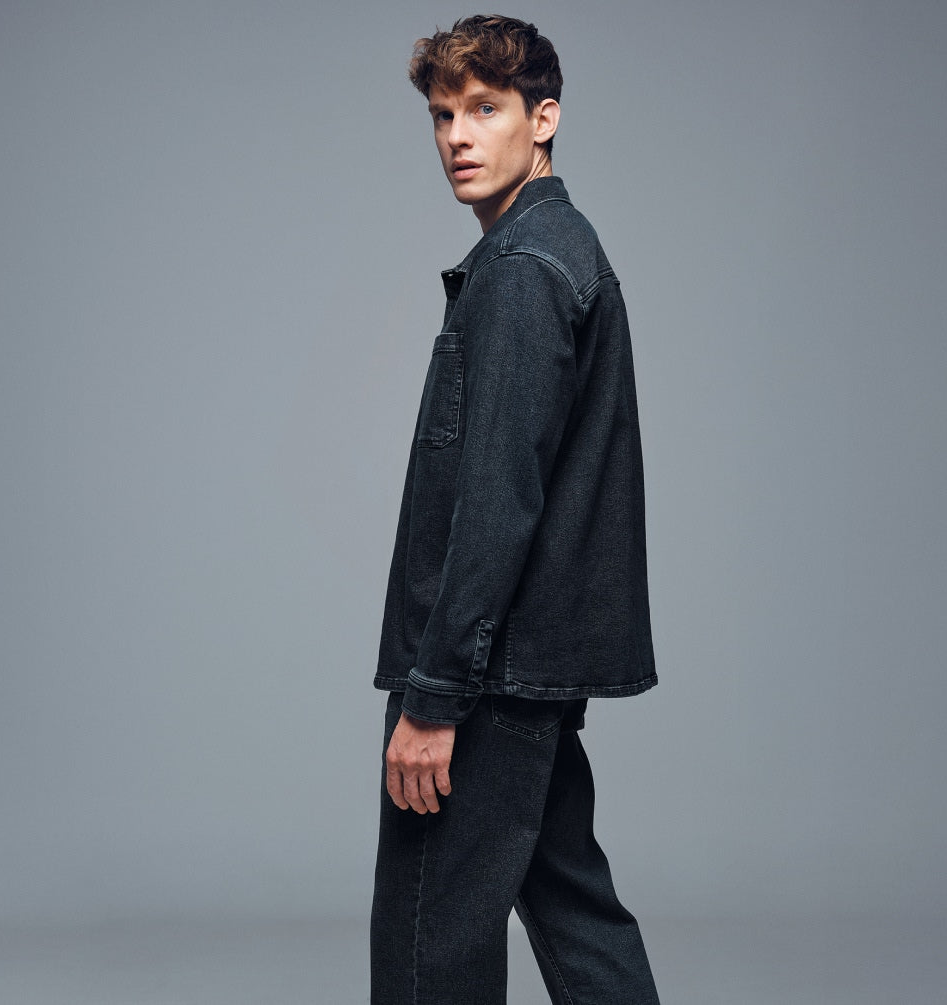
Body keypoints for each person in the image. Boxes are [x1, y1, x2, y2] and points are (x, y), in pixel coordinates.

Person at [371, 15, 660, 1004]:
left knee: (429, 948)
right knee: (575, 914)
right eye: (441, 114)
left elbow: (498, 501)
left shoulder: (524, 273)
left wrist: (432, 700)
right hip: (525, 670)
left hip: (483, 680)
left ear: (543, 120)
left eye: (484, 109)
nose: (457, 135)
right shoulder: (556, 250)